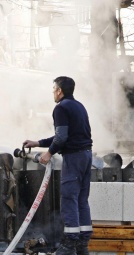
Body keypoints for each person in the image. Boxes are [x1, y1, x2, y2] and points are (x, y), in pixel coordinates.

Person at [23, 76, 93, 255]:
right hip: (86, 156)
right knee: (81, 200)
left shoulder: (60, 108)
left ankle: (69, 244)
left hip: (74, 158)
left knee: (69, 198)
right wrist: (37, 142)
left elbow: (61, 137)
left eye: (53, 88)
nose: (52, 92)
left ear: (59, 90)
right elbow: (66, 135)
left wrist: (48, 153)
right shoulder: (79, 106)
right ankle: (82, 244)